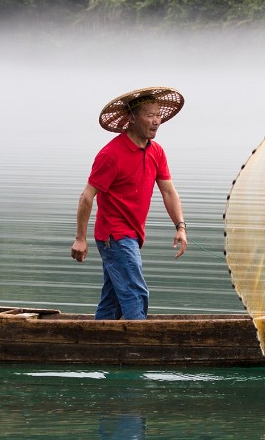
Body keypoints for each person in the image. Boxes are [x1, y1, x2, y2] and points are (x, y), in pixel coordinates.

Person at [70, 87, 187, 320]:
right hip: (114, 236)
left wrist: (180, 227)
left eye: (158, 115)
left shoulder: (157, 152)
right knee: (135, 292)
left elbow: (168, 191)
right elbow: (87, 196)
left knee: (112, 301)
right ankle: (140, 345)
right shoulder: (111, 154)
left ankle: (97, 344)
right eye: (149, 115)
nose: (156, 121)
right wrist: (80, 238)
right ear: (132, 118)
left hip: (132, 234)